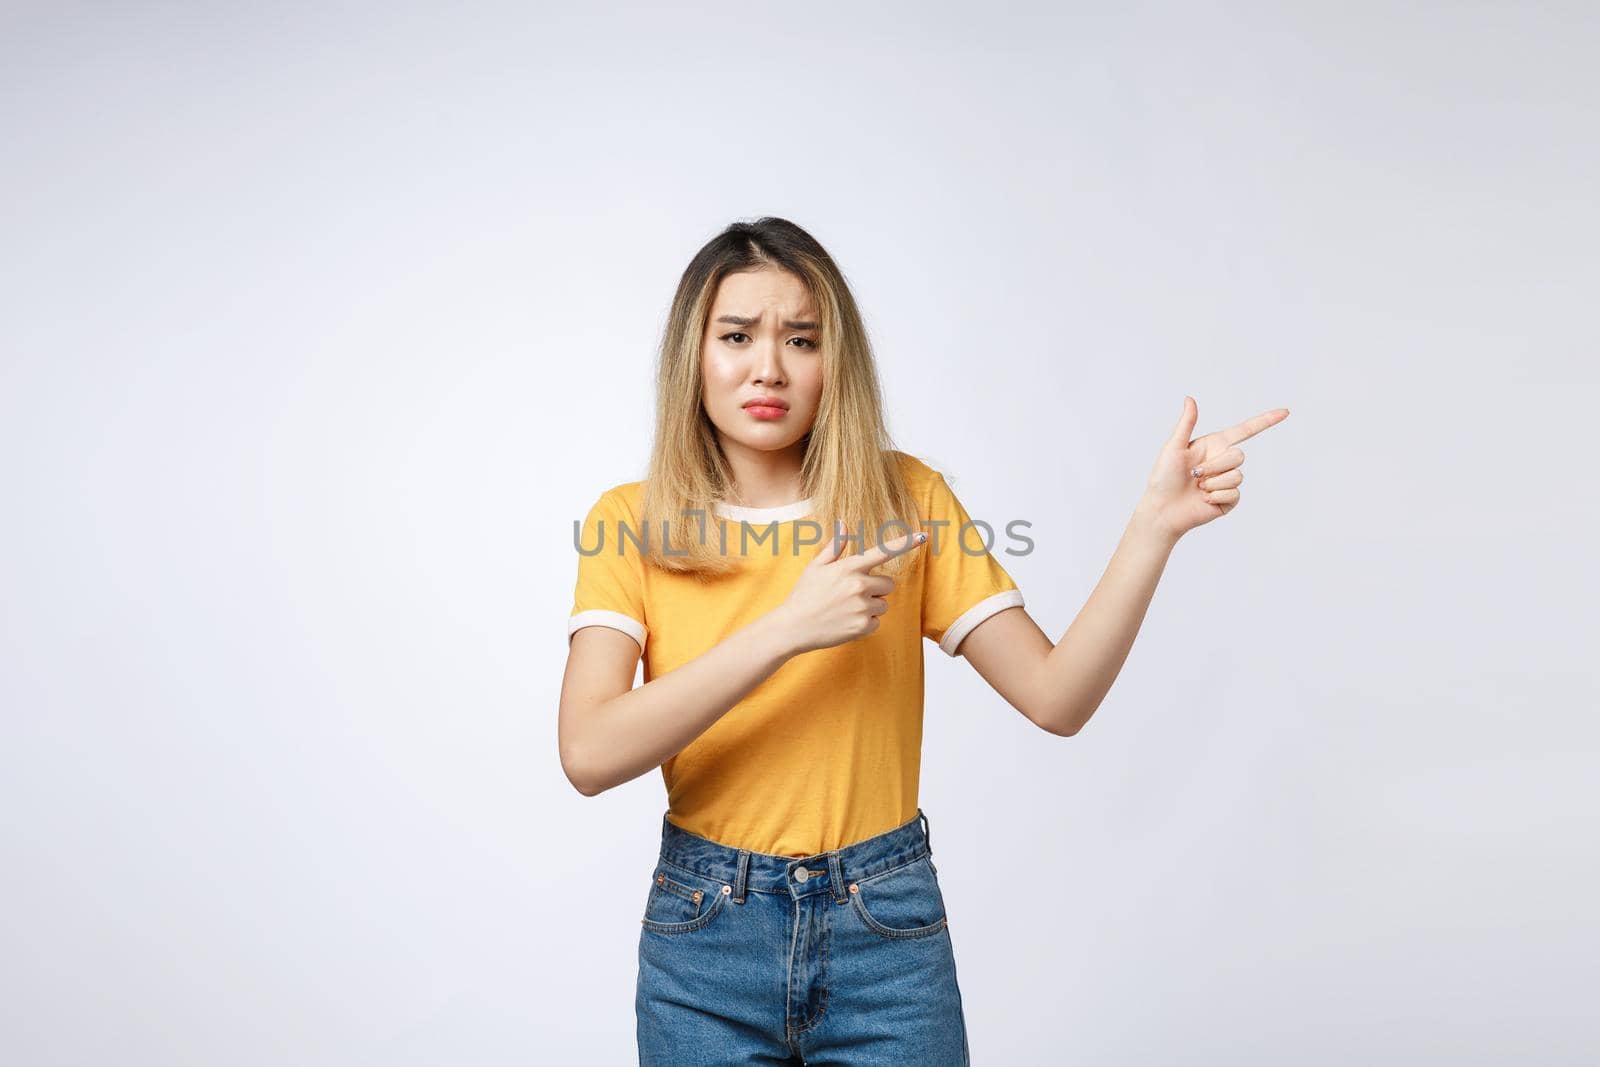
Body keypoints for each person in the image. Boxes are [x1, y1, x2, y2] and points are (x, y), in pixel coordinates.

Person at [558, 216, 1289, 1066]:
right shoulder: (632, 523)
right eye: (737, 336)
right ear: (695, 352)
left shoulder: (905, 498)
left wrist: (1153, 528)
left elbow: (1057, 698)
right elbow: (588, 751)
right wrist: (789, 628)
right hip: (705, 939)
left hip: (884, 929)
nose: (768, 367)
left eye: (803, 339)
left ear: (839, 362)